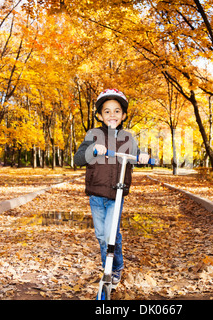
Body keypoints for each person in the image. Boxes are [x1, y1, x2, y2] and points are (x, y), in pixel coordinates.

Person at [74, 89, 150, 288]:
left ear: (123, 115)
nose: (112, 115)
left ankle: (114, 269)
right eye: (107, 111)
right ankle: (108, 267)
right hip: (96, 194)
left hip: (117, 194)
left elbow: (138, 155)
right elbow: (78, 159)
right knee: (102, 235)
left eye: (117, 111)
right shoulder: (93, 134)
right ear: (99, 115)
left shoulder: (127, 138)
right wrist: (93, 149)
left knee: (111, 234)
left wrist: (142, 156)